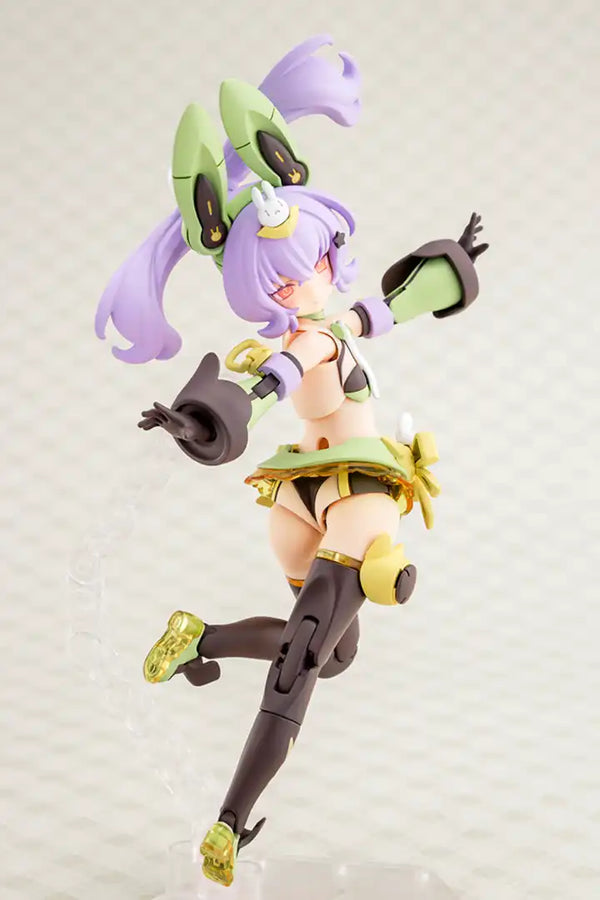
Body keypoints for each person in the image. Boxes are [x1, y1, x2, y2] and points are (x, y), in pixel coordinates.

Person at [96, 34, 487, 887]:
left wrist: (452, 262)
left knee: (332, 654)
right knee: (303, 666)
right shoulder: (304, 343)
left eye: (312, 259)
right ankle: (230, 826)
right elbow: (262, 391)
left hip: (298, 503)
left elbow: (390, 307)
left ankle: (199, 636)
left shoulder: (336, 322)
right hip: (351, 496)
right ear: (259, 292)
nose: (305, 279)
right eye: (280, 279)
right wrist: (203, 421)